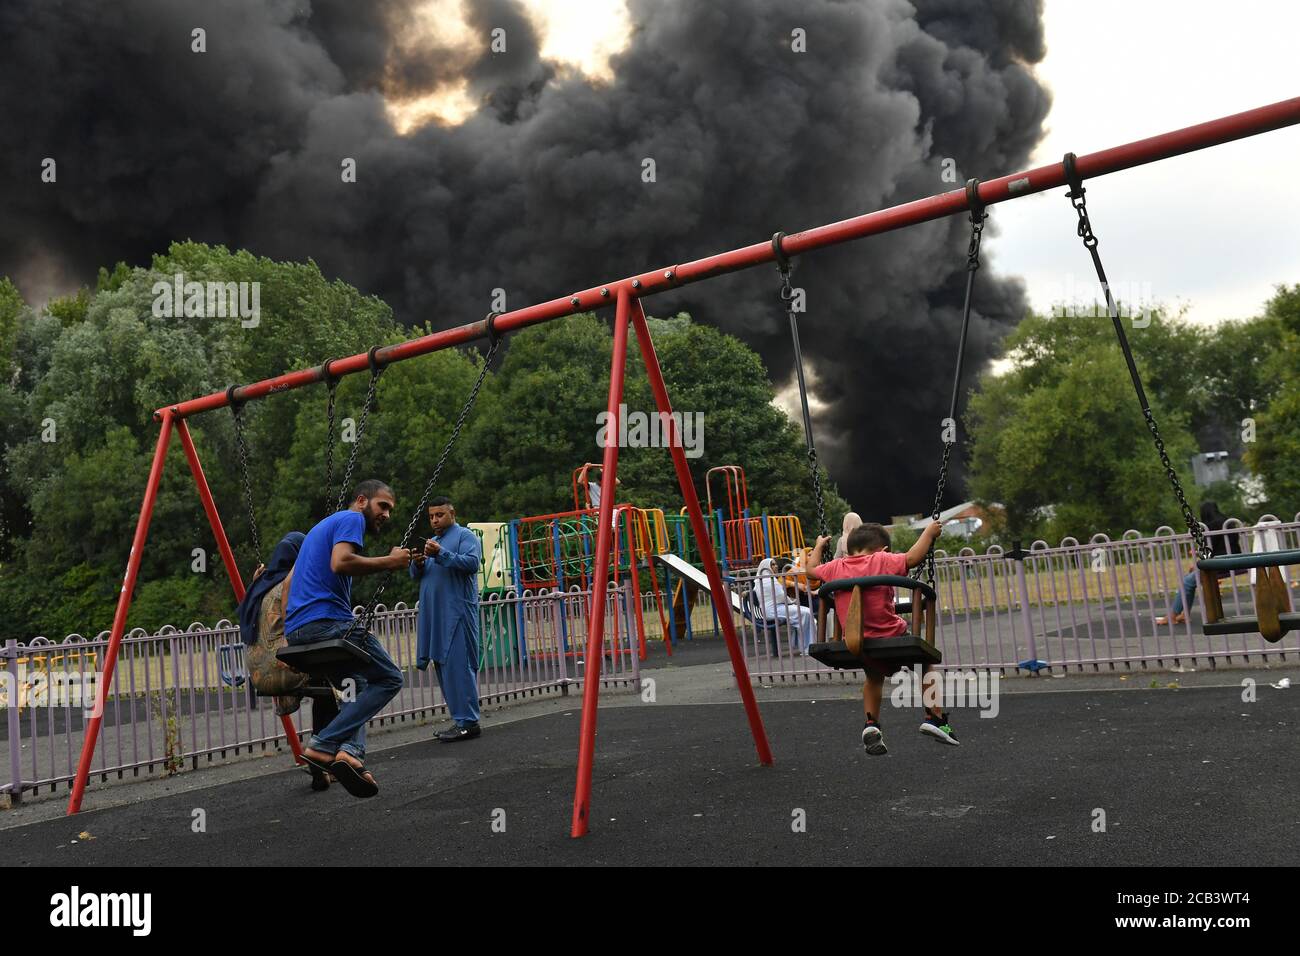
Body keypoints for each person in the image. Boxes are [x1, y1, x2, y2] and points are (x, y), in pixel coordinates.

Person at [285, 479, 416, 798]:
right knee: (389, 678)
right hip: (328, 622)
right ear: (361, 500)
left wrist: (289, 632)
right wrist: (392, 562)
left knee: (354, 686)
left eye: (390, 510)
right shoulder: (351, 518)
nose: (386, 514)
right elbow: (341, 562)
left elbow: (289, 583)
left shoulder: (320, 529)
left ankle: (351, 756)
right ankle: (326, 744)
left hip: (300, 628)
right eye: (382, 505)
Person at [810, 520, 957, 755]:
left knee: (873, 678)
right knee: (924, 664)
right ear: (883, 550)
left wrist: (818, 546)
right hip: (890, 635)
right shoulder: (882, 559)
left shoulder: (835, 566)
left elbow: (811, 571)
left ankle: (871, 724)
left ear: (849, 548)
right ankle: (935, 718)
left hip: (854, 641)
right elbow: (912, 558)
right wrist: (929, 533)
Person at [410, 496, 483, 741]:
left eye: (439, 515)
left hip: (457, 613)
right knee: (443, 665)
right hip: (436, 614)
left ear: (452, 513)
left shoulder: (465, 536)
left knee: (459, 666)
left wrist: (441, 553)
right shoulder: (433, 542)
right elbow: (421, 575)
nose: (434, 520)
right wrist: (418, 563)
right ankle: (459, 719)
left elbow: (471, 563)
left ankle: (469, 721)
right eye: (431, 516)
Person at [1156, 500, 1243, 626]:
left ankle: (1172, 616)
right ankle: (1183, 614)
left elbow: (1209, 548)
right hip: (1232, 559)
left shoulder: (1211, 525)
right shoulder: (1226, 521)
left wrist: (1199, 562)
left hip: (1220, 563)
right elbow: (1218, 548)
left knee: (1187, 582)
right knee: (1189, 580)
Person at [751, 557, 815, 653]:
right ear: (766, 567)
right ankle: (807, 647)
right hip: (774, 610)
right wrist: (792, 601)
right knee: (805, 613)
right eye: (772, 564)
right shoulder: (769, 580)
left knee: (804, 612)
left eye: (775, 564)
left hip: (774, 608)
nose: (776, 566)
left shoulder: (761, 580)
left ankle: (804, 645)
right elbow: (781, 596)